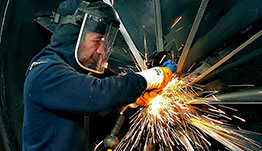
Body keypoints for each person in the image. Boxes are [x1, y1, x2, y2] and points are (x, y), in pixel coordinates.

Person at [22, 0, 177, 151]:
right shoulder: (46, 73)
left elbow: (92, 109)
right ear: (75, 37)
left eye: (104, 43)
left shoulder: (65, 74)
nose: (102, 51)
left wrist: (133, 102)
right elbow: (100, 94)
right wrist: (150, 77)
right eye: (97, 41)